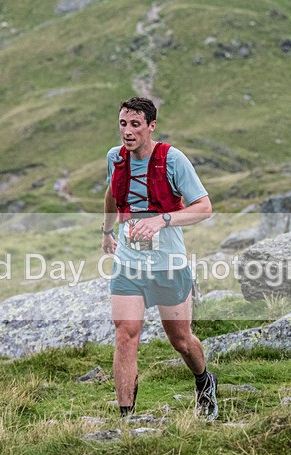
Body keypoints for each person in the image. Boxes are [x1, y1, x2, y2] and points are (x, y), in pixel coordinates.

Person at [101, 97, 218, 420]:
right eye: (123, 124)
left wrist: (160, 220)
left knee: (181, 340)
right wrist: (107, 231)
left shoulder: (173, 159)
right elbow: (112, 193)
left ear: (151, 127)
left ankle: (204, 380)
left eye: (135, 125)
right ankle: (126, 419)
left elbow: (204, 208)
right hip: (128, 263)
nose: (127, 131)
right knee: (126, 333)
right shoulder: (115, 158)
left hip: (169, 263)